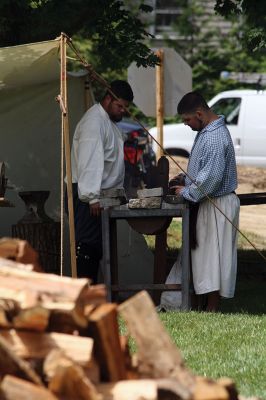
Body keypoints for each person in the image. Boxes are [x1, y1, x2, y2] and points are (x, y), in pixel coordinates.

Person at [174, 91, 240, 312]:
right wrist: (186, 178)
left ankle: (211, 308)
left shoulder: (213, 136)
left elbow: (211, 178)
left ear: (200, 114)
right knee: (205, 256)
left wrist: (187, 191)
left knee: (213, 258)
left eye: (187, 120)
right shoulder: (207, 130)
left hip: (216, 201)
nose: (186, 124)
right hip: (210, 201)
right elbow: (204, 169)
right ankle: (203, 305)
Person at [68, 80, 134, 282]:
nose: (122, 111)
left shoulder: (107, 122)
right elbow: (90, 160)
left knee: (95, 248)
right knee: (87, 247)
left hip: (98, 194)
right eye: (119, 106)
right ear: (108, 99)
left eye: (125, 108)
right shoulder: (94, 122)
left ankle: (94, 298)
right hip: (86, 193)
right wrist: (92, 197)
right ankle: (85, 298)